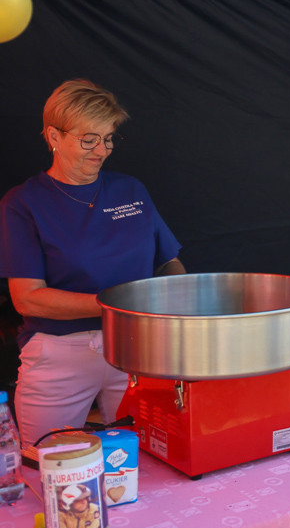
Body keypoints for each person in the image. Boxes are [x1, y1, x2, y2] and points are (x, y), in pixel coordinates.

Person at [0, 79, 184, 457]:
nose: (102, 150)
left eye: (109, 138)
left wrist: (181, 300)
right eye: (89, 139)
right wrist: (118, 304)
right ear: (54, 135)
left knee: (154, 455)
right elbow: (28, 299)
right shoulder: (23, 204)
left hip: (139, 345)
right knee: (50, 462)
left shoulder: (130, 190)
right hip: (59, 353)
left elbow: (169, 261)